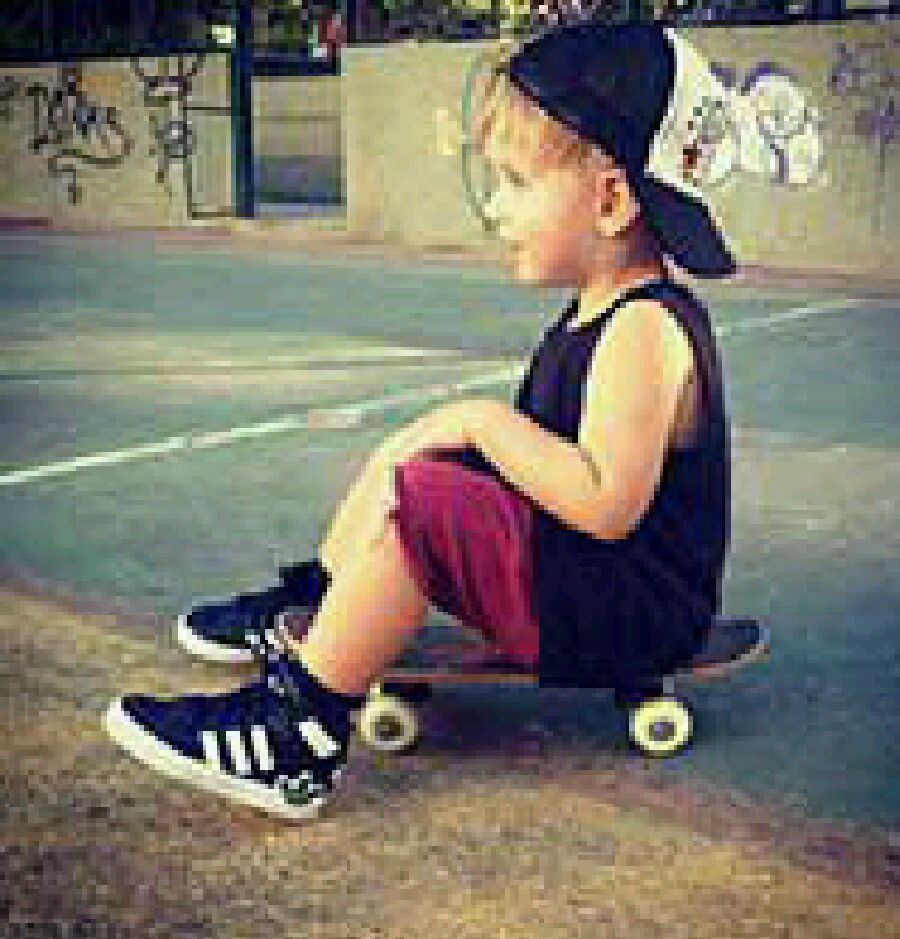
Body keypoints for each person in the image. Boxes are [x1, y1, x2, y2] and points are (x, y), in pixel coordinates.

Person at [102, 22, 735, 819]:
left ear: (610, 200)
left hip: (631, 619)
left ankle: (298, 735)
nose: (494, 207)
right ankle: (321, 600)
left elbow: (608, 505)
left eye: (514, 181)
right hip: (588, 593)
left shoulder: (645, 327)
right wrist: (451, 440)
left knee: (432, 495)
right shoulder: (596, 316)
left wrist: (478, 421)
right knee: (427, 466)